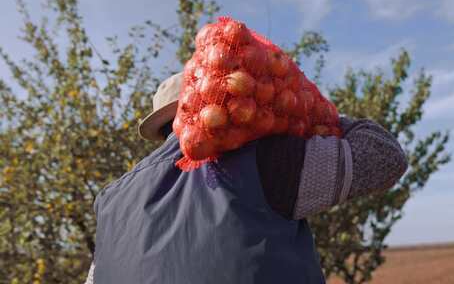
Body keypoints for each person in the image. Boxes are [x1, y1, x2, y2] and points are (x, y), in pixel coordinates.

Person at [84, 73, 408, 284]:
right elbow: (382, 156)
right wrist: (314, 115)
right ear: (218, 102)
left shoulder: (110, 200)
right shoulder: (263, 161)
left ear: (161, 131)